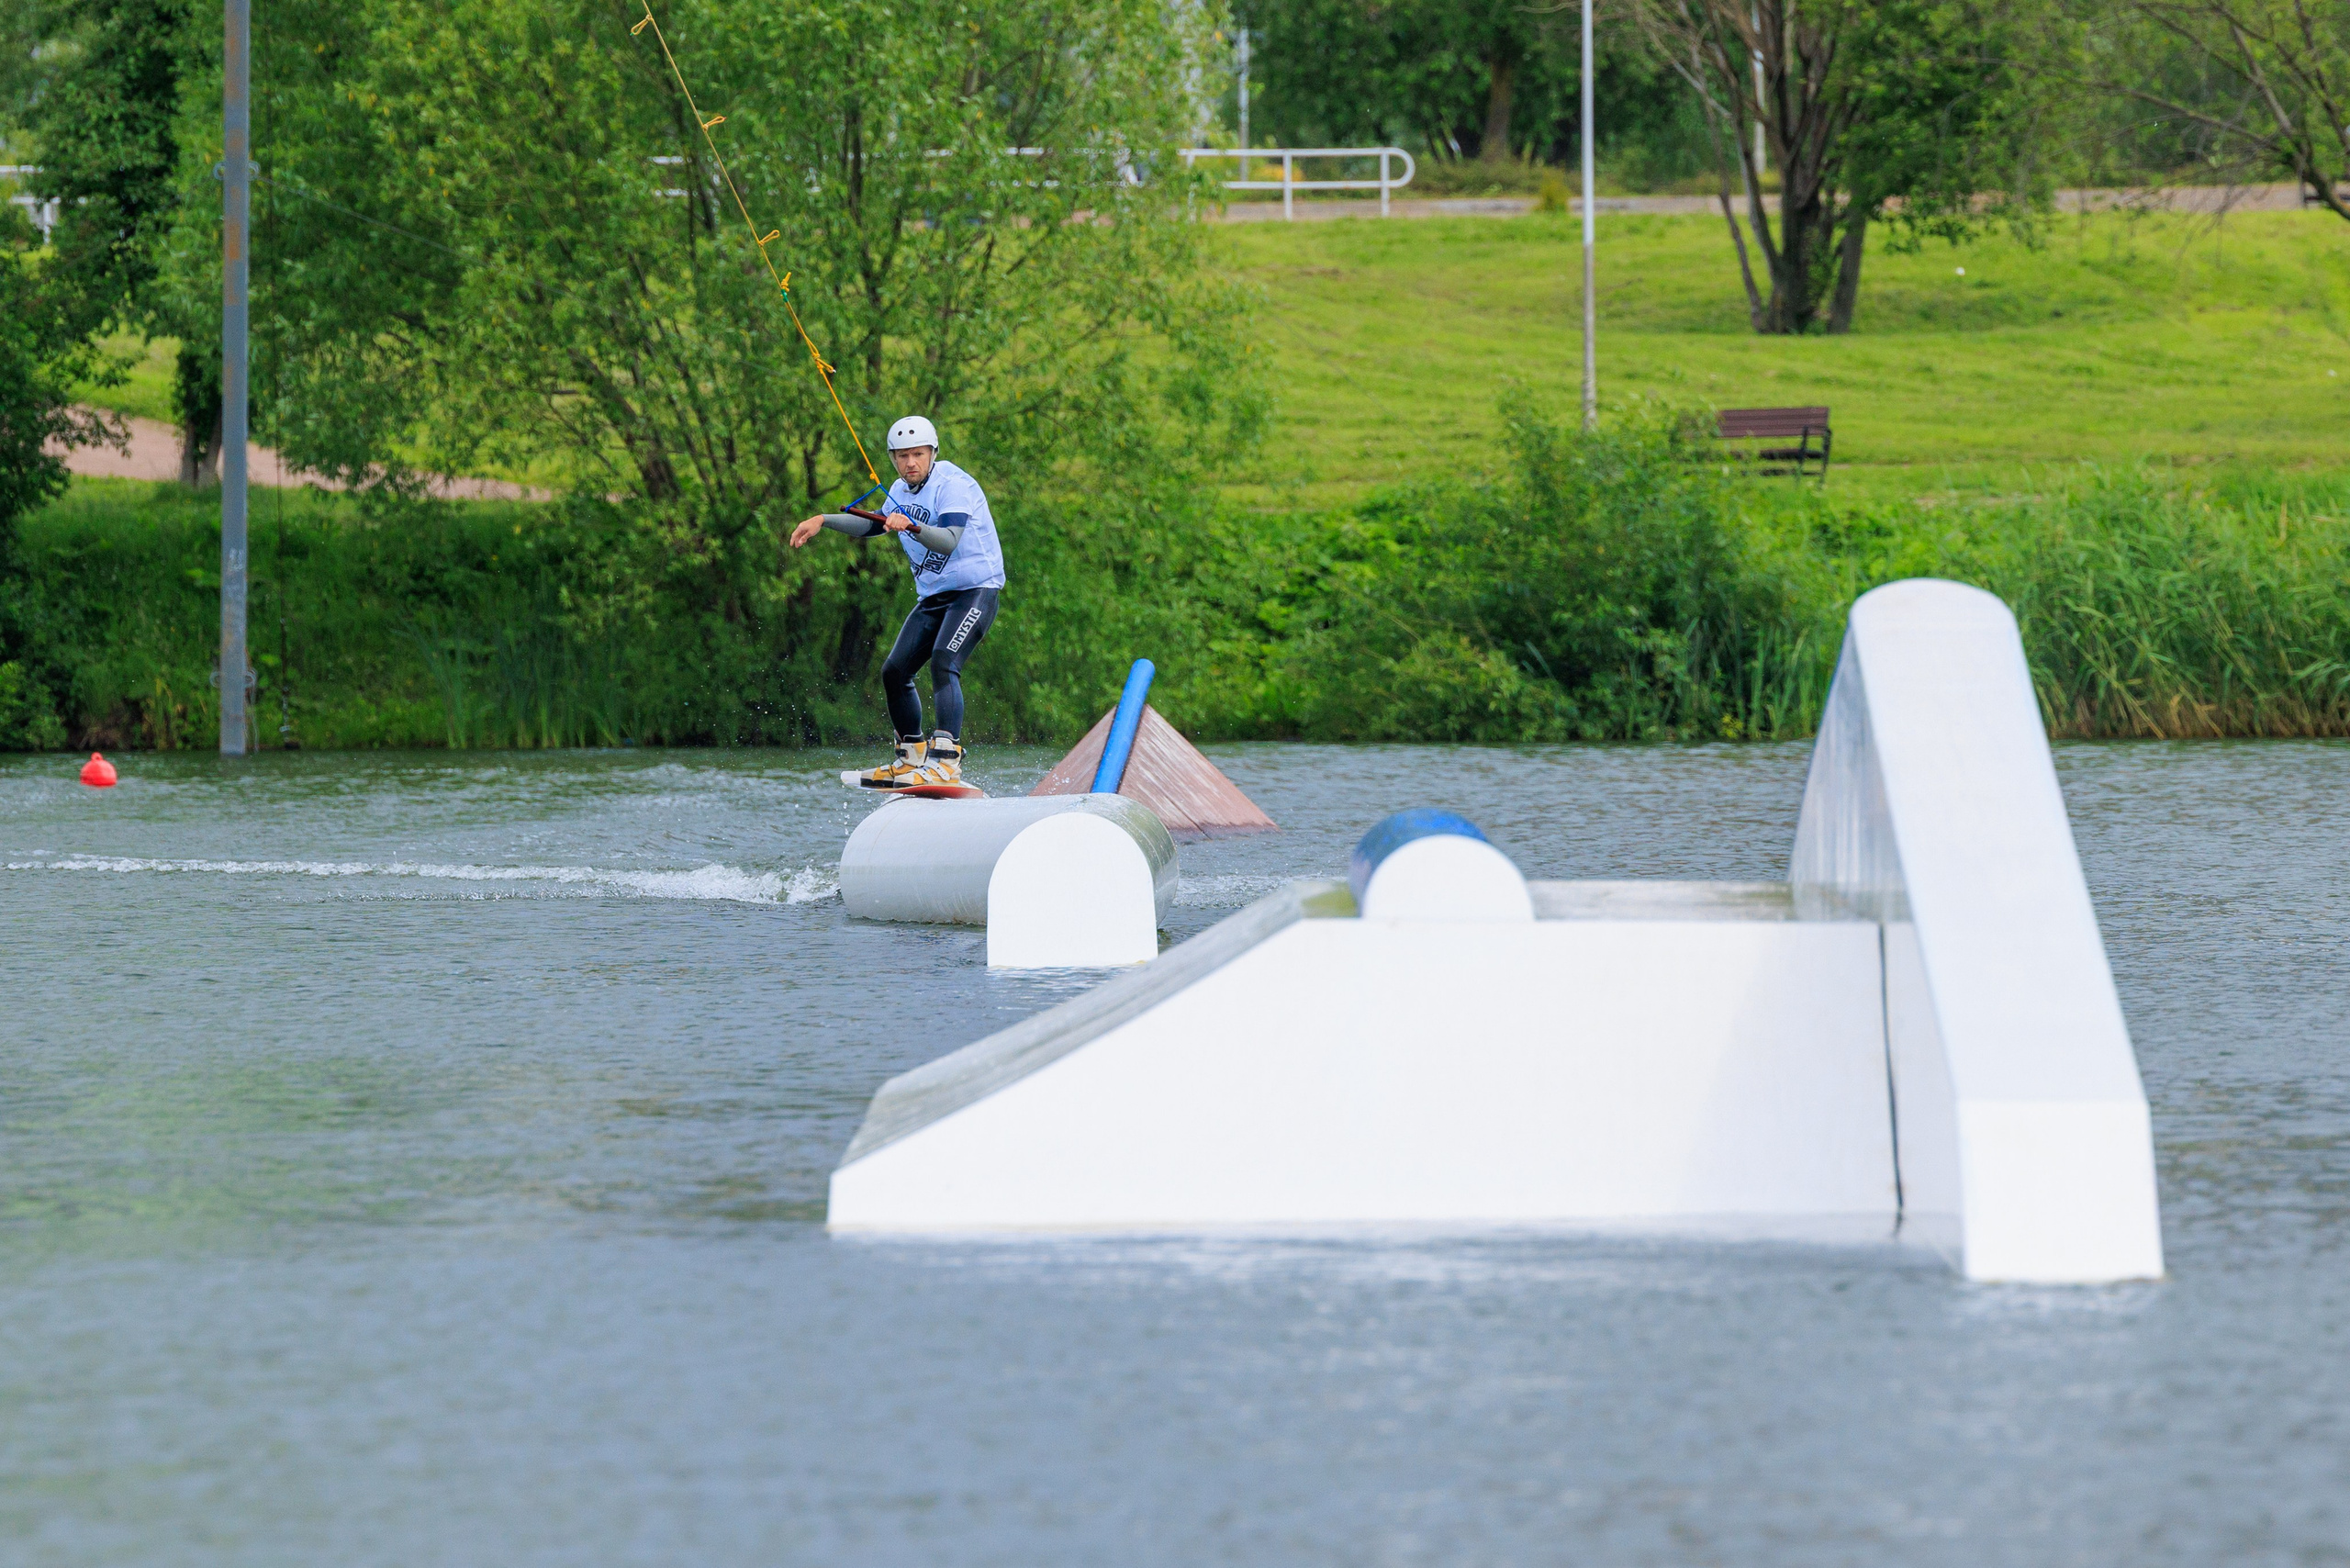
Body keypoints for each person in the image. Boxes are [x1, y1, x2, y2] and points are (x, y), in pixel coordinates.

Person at [789, 416, 1006, 789]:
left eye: (918, 454)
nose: (911, 463)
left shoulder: (952, 485)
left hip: (976, 591)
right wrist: (823, 520)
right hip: (935, 598)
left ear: (933, 453)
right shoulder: (899, 490)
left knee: (943, 662)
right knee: (895, 671)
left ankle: (946, 760)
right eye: (903, 456)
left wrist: (912, 527)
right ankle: (911, 758)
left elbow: (950, 539)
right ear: (892, 458)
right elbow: (874, 524)